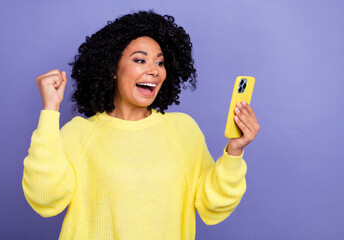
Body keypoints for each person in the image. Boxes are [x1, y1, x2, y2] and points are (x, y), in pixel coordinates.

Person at [22, 10, 260, 240]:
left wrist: (234, 151)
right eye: (140, 60)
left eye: (160, 63)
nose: (153, 71)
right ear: (113, 69)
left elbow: (213, 207)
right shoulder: (79, 133)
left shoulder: (182, 130)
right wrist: (50, 110)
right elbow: (46, 200)